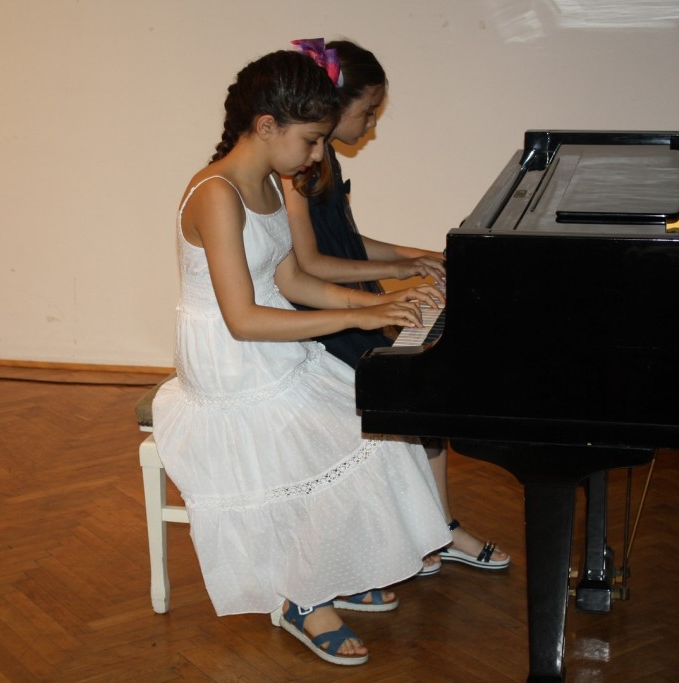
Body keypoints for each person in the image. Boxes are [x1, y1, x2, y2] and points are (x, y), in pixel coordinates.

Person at [152, 48, 452, 666]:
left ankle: (332, 568)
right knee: (325, 445)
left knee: (381, 432)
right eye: (312, 140)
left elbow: (291, 278)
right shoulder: (215, 194)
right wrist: (359, 314)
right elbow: (242, 318)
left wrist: (377, 303)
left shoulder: (267, 182)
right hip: (231, 364)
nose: (318, 155)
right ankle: (299, 597)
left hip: (273, 348)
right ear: (267, 126)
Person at [282, 39, 510, 573]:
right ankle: (423, 530)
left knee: (425, 382)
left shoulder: (321, 158)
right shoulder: (296, 168)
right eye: (368, 112)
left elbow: (347, 243)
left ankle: (433, 528)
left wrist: (415, 256)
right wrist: (395, 279)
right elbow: (311, 263)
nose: (371, 126)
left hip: (348, 305)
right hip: (316, 322)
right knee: (415, 387)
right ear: (335, 105)